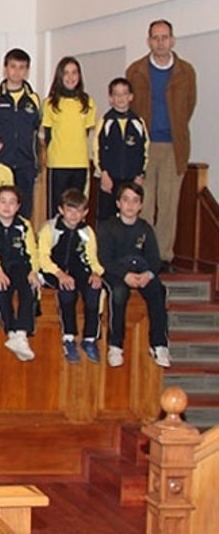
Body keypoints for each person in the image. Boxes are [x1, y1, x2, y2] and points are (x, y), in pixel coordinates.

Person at [125, 20, 197, 269]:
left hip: (174, 147)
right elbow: (129, 108)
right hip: (144, 147)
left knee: (168, 204)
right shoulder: (136, 71)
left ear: (172, 40)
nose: (160, 43)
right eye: (155, 38)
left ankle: (164, 257)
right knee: (142, 204)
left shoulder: (186, 72)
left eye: (165, 37)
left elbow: (189, 105)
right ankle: (142, 255)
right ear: (148, 41)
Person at [97, 183, 171, 369]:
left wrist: (148, 274)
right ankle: (115, 345)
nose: (130, 205)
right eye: (126, 200)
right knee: (119, 293)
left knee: (158, 290)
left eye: (135, 201)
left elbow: (154, 259)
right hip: (115, 273)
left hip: (140, 272)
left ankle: (159, 344)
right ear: (118, 203)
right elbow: (104, 259)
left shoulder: (145, 229)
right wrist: (125, 275)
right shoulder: (106, 227)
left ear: (140, 205)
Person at [37, 188, 103, 364]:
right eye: (70, 210)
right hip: (52, 270)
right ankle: (69, 337)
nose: (74, 215)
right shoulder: (50, 229)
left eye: (79, 211)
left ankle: (90, 338)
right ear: (61, 210)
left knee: (94, 289)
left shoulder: (87, 231)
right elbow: (42, 258)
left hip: (78, 270)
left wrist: (96, 273)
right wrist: (60, 274)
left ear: (85, 212)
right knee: (67, 291)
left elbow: (92, 257)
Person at [0, 185, 41, 362]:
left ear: (18, 206)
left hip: (17, 265)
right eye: (3, 201)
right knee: (1, 287)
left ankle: (22, 333)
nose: (7, 206)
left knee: (29, 286)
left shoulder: (24, 225)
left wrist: (33, 271)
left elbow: (32, 250)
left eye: (12, 202)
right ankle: (11, 332)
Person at [0, 48, 41, 220]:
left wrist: (38, 163)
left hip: (26, 164)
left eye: (22, 67)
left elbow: (38, 134)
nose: (17, 71)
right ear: (5, 69)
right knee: (0, 209)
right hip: (1, 163)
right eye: (13, 66)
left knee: (24, 211)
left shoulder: (34, 99)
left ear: (27, 71)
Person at [42, 56, 96, 215]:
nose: (70, 77)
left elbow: (85, 133)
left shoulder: (88, 102)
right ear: (60, 76)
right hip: (57, 164)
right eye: (66, 73)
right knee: (56, 211)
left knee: (77, 210)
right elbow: (48, 135)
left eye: (74, 72)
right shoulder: (50, 103)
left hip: (80, 164)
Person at [94, 78, 148, 221]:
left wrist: (140, 174)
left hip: (131, 179)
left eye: (124, 94)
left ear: (131, 97)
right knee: (106, 217)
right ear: (110, 99)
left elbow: (144, 150)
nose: (120, 98)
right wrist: (103, 174)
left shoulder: (138, 122)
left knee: (129, 216)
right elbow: (97, 149)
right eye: (116, 94)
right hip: (109, 180)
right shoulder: (105, 122)